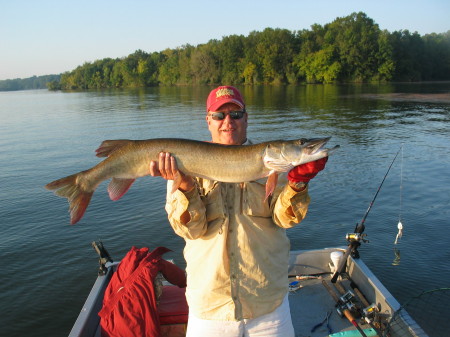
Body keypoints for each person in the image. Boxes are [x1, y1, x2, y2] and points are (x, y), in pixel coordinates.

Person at [149, 86, 327, 337]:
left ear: (246, 117)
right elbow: (189, 230)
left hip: (268, 307)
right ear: (208, 120)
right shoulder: (182, 166)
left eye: (235, 114)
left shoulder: (272, 165)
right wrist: (187, 186)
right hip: (210, 310)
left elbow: (285, 219)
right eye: (220, 116)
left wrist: (298, 183)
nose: (228, 122)